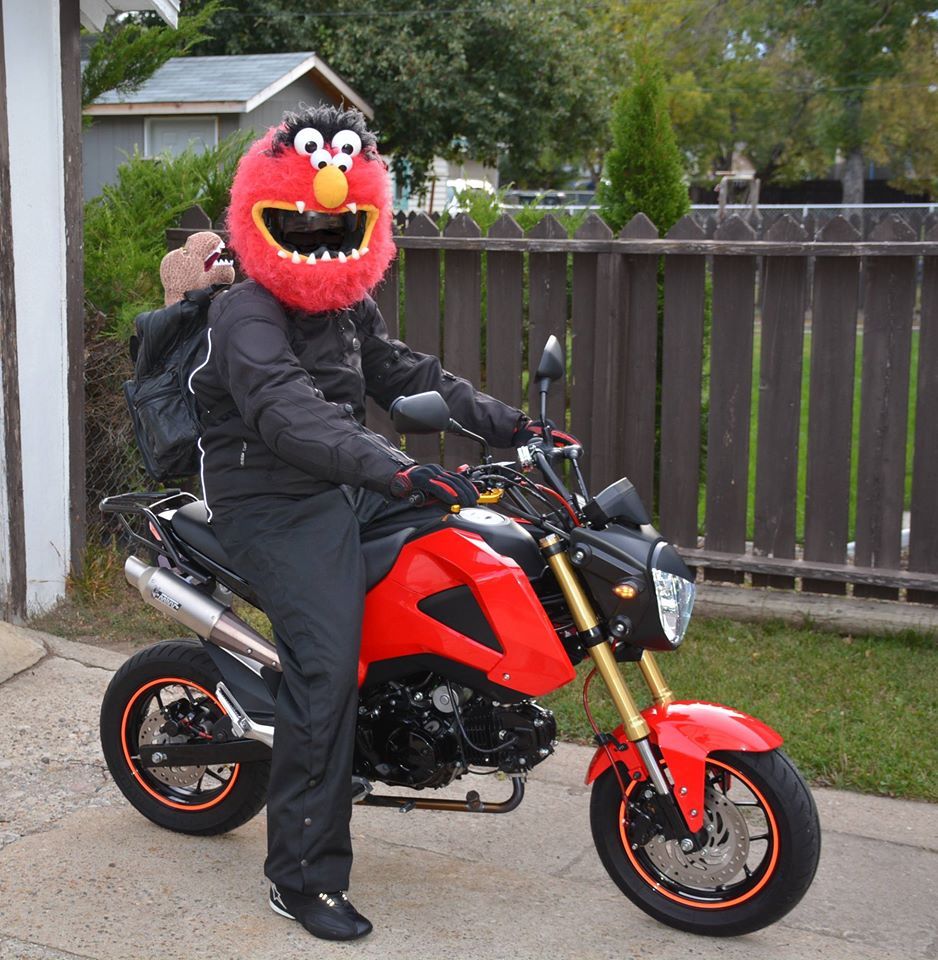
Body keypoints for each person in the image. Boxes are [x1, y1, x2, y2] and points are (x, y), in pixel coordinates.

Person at [189, 105, 562, 941]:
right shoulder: (246, 312)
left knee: (471, 543)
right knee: (328, 674)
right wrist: (394, 467)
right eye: (306, 209)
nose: (322, 219)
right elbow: (287, 414)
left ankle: (420, 715)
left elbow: (405, 374)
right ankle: (301, 877)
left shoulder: (345, 308)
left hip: (350, 481)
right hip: (272, 501)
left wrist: (512, 427)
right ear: (270, 207)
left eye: (337, 211)